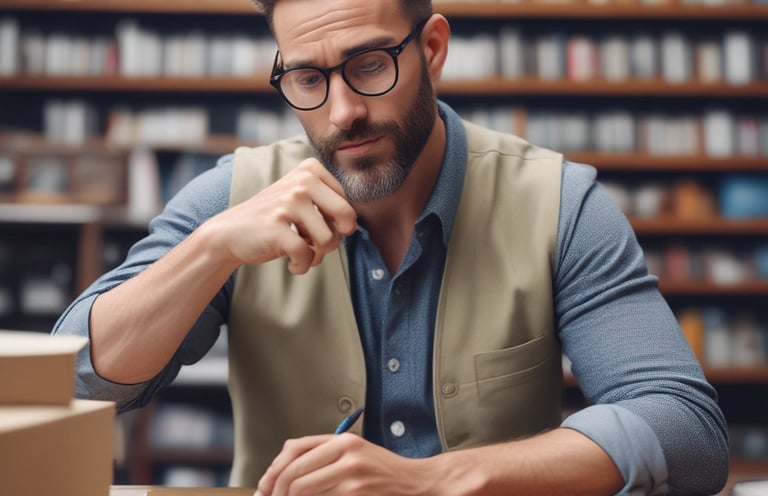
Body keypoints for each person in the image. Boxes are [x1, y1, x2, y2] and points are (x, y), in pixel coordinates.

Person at [52, 0, 729, 494]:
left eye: (368, 64)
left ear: (432, 47)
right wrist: (209, 252)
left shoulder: (560, 203)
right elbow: (77, 385)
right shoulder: (232, 198)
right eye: (308, 79)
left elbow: (686, 430)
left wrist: (433, 481)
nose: (342, 110)